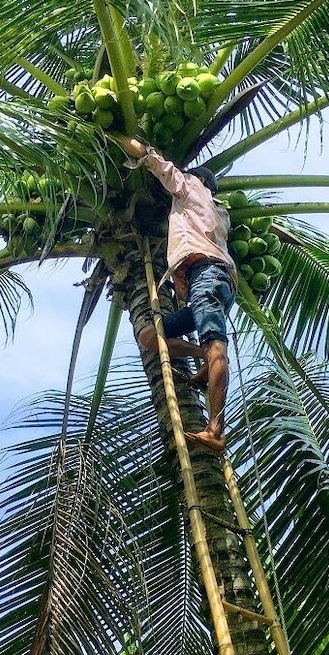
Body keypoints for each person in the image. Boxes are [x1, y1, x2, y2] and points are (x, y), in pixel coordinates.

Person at [114, 135, 236, 453]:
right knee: (150, 337)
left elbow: (164, 170)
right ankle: (203, 359)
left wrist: (133, 146)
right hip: (217, 283)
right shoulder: (221, 214)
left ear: (199, 181)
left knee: (216, 346)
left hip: (206, 277)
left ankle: (216, 430)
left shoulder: (193, 189)